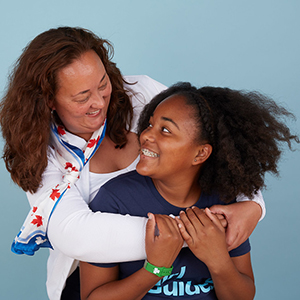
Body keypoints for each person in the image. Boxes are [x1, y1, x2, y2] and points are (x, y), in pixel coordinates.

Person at [0, 27, 264, 300]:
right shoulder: (43, 154)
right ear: (49, 101)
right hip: (98, 274)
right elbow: (76, 234)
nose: (99, 102)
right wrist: (198, 235)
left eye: (102, 84)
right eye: (81, 97)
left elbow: (213, 135)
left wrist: (254, 205)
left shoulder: (140, 93)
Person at [80, 82, 299, 300]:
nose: (145, 135)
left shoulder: (226, 203)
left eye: (165, 130)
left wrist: (218, 260)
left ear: (200, 154)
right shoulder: (114, 200)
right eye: (149, 124)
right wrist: (155, 268)